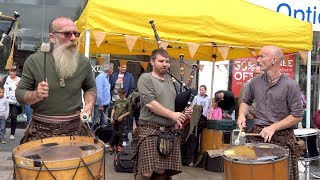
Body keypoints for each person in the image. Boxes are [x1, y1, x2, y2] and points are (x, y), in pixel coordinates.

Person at [16, 16, 96, 143]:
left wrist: (90, 103)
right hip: (41, 129)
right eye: (67, 34)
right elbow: (20, 94)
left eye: (75, 33)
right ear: (52, 37)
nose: (73, 38)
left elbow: (90, 87)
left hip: (76, 128)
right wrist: (36, 95)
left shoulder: (83, 62)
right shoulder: (34, 60)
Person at [237, 45, 304, 180]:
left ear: (274, 60)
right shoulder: (254, 82)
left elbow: (297, 116)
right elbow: (245, 101)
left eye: (262, 56)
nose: (258, 60)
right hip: (258, 136)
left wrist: (273, 127)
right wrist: (241, 115)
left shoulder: (290, 85)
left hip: (282, 139)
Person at [132, 48, 192, 180]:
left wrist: (182, 113)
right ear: (152, 61)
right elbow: (150, 103)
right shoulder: (146, 78)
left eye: (167, 61)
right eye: (161, 61)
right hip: (150, 129)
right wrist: (172, 115)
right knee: (146, 170)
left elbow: (171, 105)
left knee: (161, 170)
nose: (164, 64)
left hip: (169, 131)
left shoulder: (170, 81)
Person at [238, 66, 263, 130]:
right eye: (256, 73)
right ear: (253, 73)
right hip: (251, 118)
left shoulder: (263, 85)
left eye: (259, 73)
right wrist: (247, 114)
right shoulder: (248, 84)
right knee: (251, 137)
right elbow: (241, 101)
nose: (257, 75)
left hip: (261, 118)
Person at [92, 63, 113, 129]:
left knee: (104, 123)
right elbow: (99, 92)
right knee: (96, 122)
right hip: (100, 104)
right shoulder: (100, 77)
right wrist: (100, 104)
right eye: (112, 69)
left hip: (106, 104)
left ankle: (102, 138)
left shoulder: (107, 77)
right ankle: (93, 137)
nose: (113, 70)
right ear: (109, 70)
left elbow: (106, 91)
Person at [109, 88, 131, 154]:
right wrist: (111, 117)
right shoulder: (117, 101)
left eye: (121, 95)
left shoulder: (127, 102)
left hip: (122, 120)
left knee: (121, 133)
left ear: (124, 94)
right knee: (114, 133)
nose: (120, 96)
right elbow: (113, 109)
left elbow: (129, 111)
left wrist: (122, 116)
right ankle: (112, 145)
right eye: (119, 95)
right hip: (115, 119)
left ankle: (119, 145)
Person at [4, 65, 21, 140]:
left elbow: (22, 90)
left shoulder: (20, 80)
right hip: (5, 102)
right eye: (11, 71)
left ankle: (12, 133)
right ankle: (2, 133)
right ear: (9, 71)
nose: (12, 73)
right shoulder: (5, 78)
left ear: (16, 72)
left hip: (14, 102)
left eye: (14, 71)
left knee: (14, 116)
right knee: (3, 117)